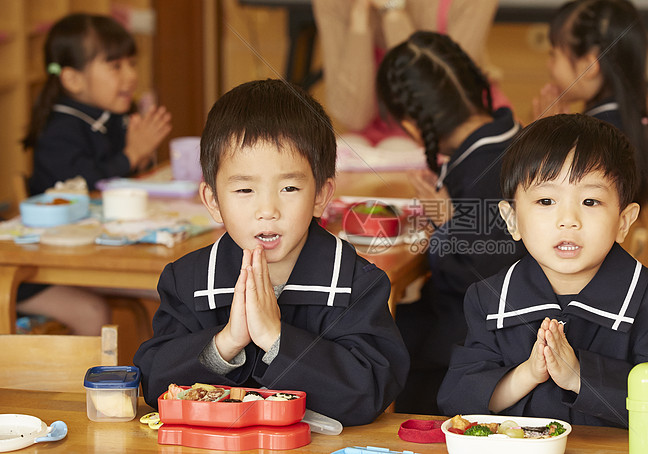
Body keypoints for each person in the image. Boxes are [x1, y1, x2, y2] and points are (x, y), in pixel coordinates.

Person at [133, 79, 409, 427]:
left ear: (321, 196)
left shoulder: (357, 283)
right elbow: (153, 379)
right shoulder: (187, 280)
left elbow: (371, 391)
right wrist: (226, 343)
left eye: (289, 188)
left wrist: (276, 339)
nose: (267, 209)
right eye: (245, 189)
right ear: (213, 201)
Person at [437, 114, 648, 430]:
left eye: (591, 201)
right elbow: (456, 399)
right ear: (511, 219)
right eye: (546, 200)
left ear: (624, 221)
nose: (568, 220)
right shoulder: (488, 301)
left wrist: (580, 376)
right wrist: (527, 374)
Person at [376, 31, 525, 414]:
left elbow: (485, 275)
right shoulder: (509, 136)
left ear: (412, 124)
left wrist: (447, 225)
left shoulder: (479, 172)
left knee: (373, 339)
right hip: (489, 326)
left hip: (480, 343)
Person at [23, 13, 172, 196]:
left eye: (132, 63)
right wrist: (132, 155)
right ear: (73, 80)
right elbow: (84, 186)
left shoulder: (114, 115)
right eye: (116, 66)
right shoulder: (57, 131)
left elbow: (122, 179)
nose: (132, 76)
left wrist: (142, 159)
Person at [312, 0, 500, 144]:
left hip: (456, 125)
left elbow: (439, 101)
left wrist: (392, 12)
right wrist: (359, 21)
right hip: (377, 133)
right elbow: (354, 116)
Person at [532, 0, 648, 206]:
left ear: (589, 66)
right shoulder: (628, 114)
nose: (549, 66)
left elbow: (549, 203)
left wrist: (544, 141)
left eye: (553, 55)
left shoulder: (596, 137)